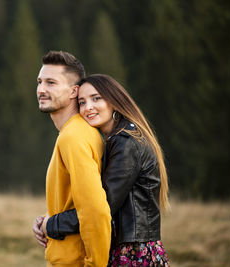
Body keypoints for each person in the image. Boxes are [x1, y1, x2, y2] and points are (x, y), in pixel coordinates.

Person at [36, 74, 170, 267]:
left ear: (114, 101)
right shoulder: (118, 139)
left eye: (96, 98)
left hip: (133, 254)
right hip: (130, 250)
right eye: (82, 102)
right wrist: (46, 220)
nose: (88, 107)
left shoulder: (126, 143)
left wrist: (51, 225)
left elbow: (100, 207)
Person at [33, 51, 112, 267]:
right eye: (39, 82)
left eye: (51, 83)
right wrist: (48, 220)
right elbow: (75, 201)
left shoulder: (74, 137)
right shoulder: (76, 132)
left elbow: (95, 211)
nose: (41, 89)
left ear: (73, 91)